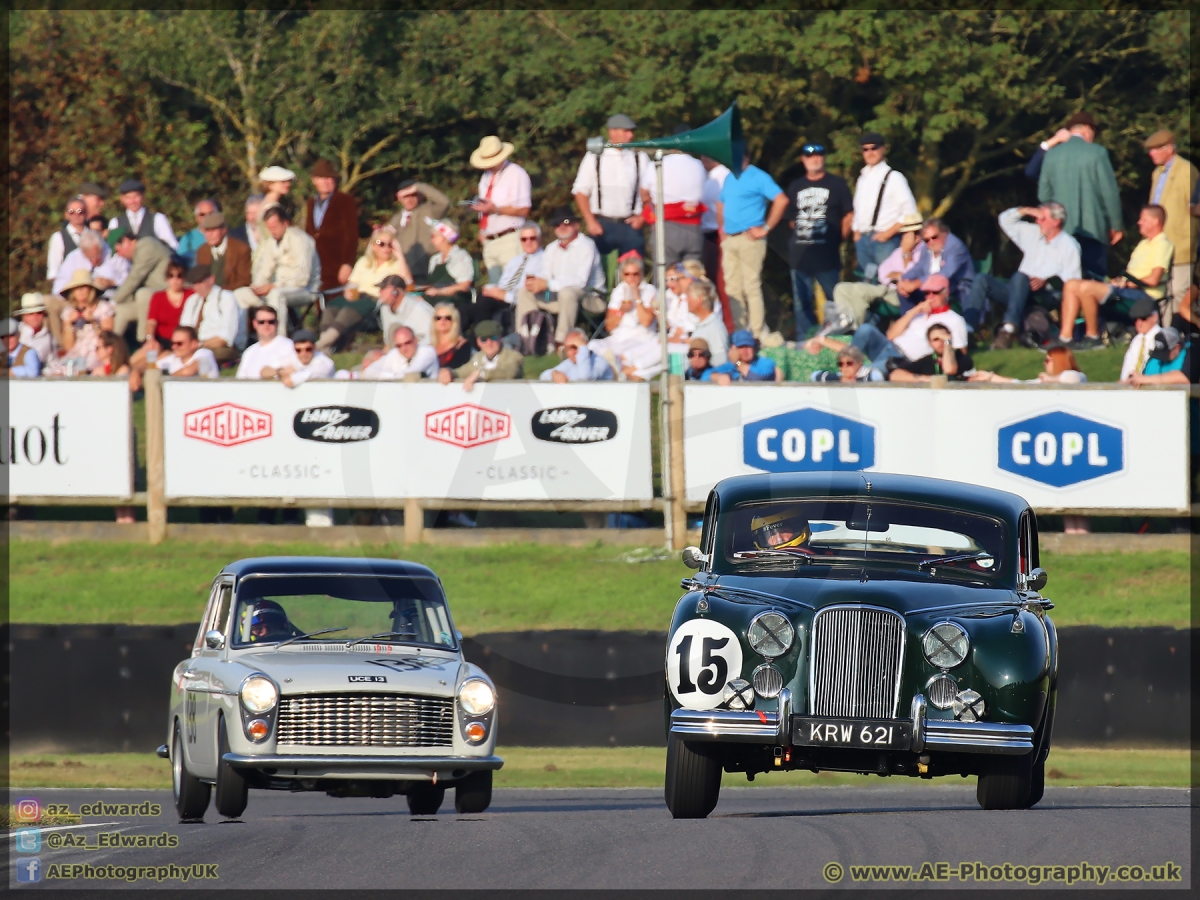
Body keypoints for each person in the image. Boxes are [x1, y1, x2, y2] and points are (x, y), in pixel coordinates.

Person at [965, 204, 1082, 348]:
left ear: (1056, 222)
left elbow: (1073, 283)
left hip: (1044, 295)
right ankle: (967, 332)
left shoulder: (1069, 246)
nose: (1037, 221)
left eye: (1042, 218)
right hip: (1018, 290)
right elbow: (1005, 220)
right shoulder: (1034, 233)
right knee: (982, 279)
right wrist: (1026, 210)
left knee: (1020, 277)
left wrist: (1046, 282)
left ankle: (1008, 330)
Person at [1058, 205, 1173, 349]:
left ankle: (1094, 338)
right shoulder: (1143, 243)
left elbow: (1154, 279)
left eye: (1143, 219)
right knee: (1071, 284)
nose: (1139, 222)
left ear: (1155, 221)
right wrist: (1119, 281)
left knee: (1086, 288)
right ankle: (1065, 338)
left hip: (1145, 295)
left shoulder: (1162, 244)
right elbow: (1133, 273)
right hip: (1128, 290)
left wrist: (1129, 283)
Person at [1037, 112, 1123, 280]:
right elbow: (1109, 192)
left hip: (1061, 231)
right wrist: (1116, 225)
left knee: (1065, 283)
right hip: (1093, 230)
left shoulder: (1051, 155)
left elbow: (1043, 195)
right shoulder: (1098, 153)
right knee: (1094, 284)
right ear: (1086, 129)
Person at [832, 274, 969, 375]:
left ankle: (849, 375)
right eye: (927, 293)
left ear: (946, 292)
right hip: (887, 347)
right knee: (865, 329)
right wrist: (914, 311)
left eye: (935, 292)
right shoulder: (919, 313)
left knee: (868, 372)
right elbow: (890, 335)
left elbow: (961, 354)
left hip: (903, 359)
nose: (930, 296)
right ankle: (847, 364)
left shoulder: (954, 320)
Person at [785, 142, 854, 339]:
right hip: (801, 254)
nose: (814, 160)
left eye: (818, 156)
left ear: (824, 158)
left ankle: (838, 337)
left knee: (835, 299)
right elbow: (791, 219)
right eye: (810, 157)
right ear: (803, 160)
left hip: (827, 253)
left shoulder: (837, 184)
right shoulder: (796, 186)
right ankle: (805, 341)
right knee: (801, 302)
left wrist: (839, 238)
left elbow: (848, 215)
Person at [717, 154, 787, 339]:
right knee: (732, 288)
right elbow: (720, 201)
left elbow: (781, 200)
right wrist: (721, 228)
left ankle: (757, 333)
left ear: (745, 155)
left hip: (750, 238)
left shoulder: (758, 176)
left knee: (751, 286)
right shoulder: (729, 177)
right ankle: (741, 333)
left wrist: (765, 228)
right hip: (730, 239)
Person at [519, 207, 605, 349]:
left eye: (566, 222)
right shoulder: (551, 248)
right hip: (558, 298)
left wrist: (548, 284)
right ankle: (526, 339)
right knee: (525, 292)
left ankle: (561, 343)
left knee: (567, 292)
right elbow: (546, 275)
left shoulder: (586, 246)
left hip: (591, 298)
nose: (562, 226)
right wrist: (537, 283)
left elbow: (581, 281)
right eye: (557, 224)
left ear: (576, 225)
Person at [318, 225, 413, 351]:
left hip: (376, 301)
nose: (385, 248)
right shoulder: (364, 262)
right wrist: (347, 291)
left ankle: (319, 345)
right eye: (381, 243)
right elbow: (352, 283)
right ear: (373, 246)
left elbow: (408, 283)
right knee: (331, 307)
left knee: (347, 310)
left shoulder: (397, 264)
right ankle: (327, 347)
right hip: (357, 297)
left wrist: (400, 255)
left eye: (389, 244)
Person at [571, 113, 650, 257]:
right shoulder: (595, 156)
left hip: (630, 226)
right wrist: (590, 221)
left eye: (631, 131)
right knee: (597, 273)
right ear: (612, 132)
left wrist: (642, 218)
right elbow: (580, 191)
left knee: (633, 272)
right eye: (626, 131)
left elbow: (650, 193)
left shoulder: (640, 157)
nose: (630, 136)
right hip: (602, 225)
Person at [828, 212, 923, 331]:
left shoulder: (922, 252)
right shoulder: (899, 251)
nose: (902, 238)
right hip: (886, 288)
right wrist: (896, 275)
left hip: (903, 295)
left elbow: (910, 277)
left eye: (906, 234)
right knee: (841, 288)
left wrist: (906, 254)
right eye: (902, 234)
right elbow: (883, 271)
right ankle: (845, 329)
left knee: (859, 291)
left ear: (917, 237)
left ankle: (855, 333)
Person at [234, 205, 321, 334]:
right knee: (240, 294)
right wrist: (257, 287)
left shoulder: (301, 240)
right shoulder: (271, 242)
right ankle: (242, 341)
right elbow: (264, 271)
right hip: (278, 287)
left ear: (285, 223)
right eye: (269, 228)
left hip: (305, 289)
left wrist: (274, 286)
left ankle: (279, 339)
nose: (272, 232)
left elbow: (302, 277)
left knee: (276, 295)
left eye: (274, 228)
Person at [851, 132, 919, 284]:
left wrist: (888, 233)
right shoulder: (862, 178)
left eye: (874, 148)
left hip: (886, 241)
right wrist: (856, 232)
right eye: (865, 149)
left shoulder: (894, 177)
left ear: (883, 149)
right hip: (863, 240)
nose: (870, 152)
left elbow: (910, 211)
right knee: (867, 285)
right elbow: (858, 207)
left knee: (888, 285)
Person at [1144, 130, 1198, 316]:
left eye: (1155, 149)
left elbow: (1194, 208)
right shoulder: (1156, 174)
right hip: (1160, 245)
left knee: (1180, 293)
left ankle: (1184, 335)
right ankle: (1166, 337)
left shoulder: (1186, 170)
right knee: (1162, 293)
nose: (1151, 153)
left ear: (1168, 148)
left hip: (1181, 244)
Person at [639, 128, 707, 266]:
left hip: (667, 226)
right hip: (694, 227)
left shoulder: (657, 164)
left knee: (665, 272)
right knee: (692, 274)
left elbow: (644, 193)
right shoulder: (699, 166)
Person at [470, 136, 533, 283]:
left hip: (509, 238)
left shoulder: (516, 174)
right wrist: (482, 229)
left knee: (512, 286)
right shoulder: (485, 177)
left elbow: (524, 209)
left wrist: (496, 209)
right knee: (495, 289)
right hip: (489, 240)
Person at [587, 255, 661, 380]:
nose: (631, 278)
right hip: (619, 336)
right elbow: (609, 326)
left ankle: (608, 369)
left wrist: (637, 298)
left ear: (641, 274)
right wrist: (621, 311)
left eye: (635, 274)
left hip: (641, 336)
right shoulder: (619, 291)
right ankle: (595, 366)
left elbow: (646, 322)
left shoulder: (649, 291)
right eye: (627, 274)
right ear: (622, 275)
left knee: (619, 353)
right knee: (592, 345)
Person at [477, 221, 544, 337]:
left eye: (532, 238)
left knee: (483, 306)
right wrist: (491, 290)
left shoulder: (545, 260)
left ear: (539, 238)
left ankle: (481, 341)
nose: (528, 242)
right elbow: (503, 284)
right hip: (503, 297)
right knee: (472, 307)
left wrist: (505, 296)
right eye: (524, 239)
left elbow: (533, 293)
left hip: (518, 300)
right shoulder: (515, 261)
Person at [108, 228, 172, 345]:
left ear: (127, 241)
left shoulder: (147, 246)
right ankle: (110, 347)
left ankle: (143, 341)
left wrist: (113, 302)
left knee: (143, 294)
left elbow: (135, 278)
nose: (120, 255)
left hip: (169, 295)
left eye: (119, 251)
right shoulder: (136, 256)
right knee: (121, 311)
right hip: (154, 300)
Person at [306, 159, 360, 294]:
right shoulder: (311, 203)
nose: (326, 182)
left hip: (337, 264)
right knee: (319, 304)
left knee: (336, 302)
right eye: (321, 178)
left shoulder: (345, 201)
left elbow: (351, 235)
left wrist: (347, 264)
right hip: (316, 265)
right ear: (314, 180)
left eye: (329, 178)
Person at [897, 218, 974, 312]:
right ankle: (910, 323)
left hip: (955, 290)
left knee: (931, 292)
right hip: (931, 289)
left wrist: (916, 283)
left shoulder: (955, 247)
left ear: (944, 233)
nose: (931, 242)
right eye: (927, 240)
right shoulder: (926, 247)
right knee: (905, 292)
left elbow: (944, 275)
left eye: (934, 237)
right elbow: (918, 268)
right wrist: (905, 280)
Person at [133, 259, 193, 368]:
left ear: (184, 278)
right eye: (171, 276)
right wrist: (150, 338)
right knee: (140, 356)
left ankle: (140, 374)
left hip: (178, 342)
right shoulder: (158, 297)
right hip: (160, 339)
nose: (175, 280)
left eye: (179, 276)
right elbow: (151, 322)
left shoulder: (191, 295)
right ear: (167, 278)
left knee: (154, 362)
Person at [55, 269, 116, 373]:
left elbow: (108, 339)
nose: (80, 291)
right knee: (60, 369)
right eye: (77, 288)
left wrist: (93, 322)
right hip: (77, 352)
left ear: (90, 289)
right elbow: (68, 346)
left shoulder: (103, 308)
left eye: (84, 287)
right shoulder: (68, 311)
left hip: (97, 351)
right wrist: (69, 324)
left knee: (87, 368)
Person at [418, 219, 474, 326]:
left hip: (453, 301)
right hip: (434, 299)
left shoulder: (460, 256)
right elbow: (432, 284)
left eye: (433, 236)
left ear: (443, 237)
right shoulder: (435, 259)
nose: (431, 240)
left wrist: (440, 291)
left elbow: (464, 285)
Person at [179, 264, 241, 363]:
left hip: (220, 348)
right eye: (194, 284)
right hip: (194, 346)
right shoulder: (192, 300)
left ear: (211, 279)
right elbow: (184, 329)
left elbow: (225, 339)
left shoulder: (226, 298)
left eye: (200, 283)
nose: (196, 287)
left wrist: (199, 346)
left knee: (198, 357)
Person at [438, 319, 523, 390]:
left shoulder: (514, 356)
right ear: (478, 342)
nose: (489, 343)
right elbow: (465, 370)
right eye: (484, 339)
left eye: (493, 338)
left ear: (500, 338)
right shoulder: (477, 359)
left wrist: (481, 373)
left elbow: (509, 372)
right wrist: (448, 372)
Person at [390, 179, 451, 276]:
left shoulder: (429, 211)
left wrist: (419, 187)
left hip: (429, 267)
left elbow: (445, 203)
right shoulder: (395, 220)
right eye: (406, 196)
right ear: (399, 198)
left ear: (419, 196)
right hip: (405, 270)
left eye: (413, 195)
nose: (410, 199)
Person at [700, 155, 732, 332]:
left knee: (723, 284)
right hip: (703, 235)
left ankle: (729, 329)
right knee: (708, 284)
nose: (703, 157)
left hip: (719, 235)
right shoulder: (702, 174)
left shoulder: (724, 175)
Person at [887, 322, 974, 382]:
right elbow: (894, 375)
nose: (941, 342)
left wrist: (948, 342)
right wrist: (923, 378)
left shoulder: (962, 358)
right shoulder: (927, 360)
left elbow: (949, 369)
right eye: (936, 339)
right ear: (930, 343)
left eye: (943, 338)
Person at [107, 179, 177, 249]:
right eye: (128, 198)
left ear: (142, 196)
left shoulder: (158, 219)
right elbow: (111, 249)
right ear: (122, 199)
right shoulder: (115, 223)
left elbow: (172, 245)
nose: (132, 201)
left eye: (136, 197)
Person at [971, 344, 1088, 384]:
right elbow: (1020, 384)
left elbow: (1072, 378)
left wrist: (1052, 379)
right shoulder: (1046, 381)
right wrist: (991, 377)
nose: (1044, 364)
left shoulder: (1080, 377)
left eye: (1047, 360)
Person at [195, 212, 251, 291]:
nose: (210, 234)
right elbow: (199, 278)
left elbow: (245, 281)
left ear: (224, 230)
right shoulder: (202, 251)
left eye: (214, 230)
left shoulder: (241, 249)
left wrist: (219, 291)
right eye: (207, 231)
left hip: (233, 294)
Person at [236, 307, 298, 379]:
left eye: (271, 322)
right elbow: (240, 380)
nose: (266, 325)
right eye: (261, 322)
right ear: (255, 324)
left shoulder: (288, 346)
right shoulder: (249, 352)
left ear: (277, 323)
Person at [362, 325, 439, 380]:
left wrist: (390, 376)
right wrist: (392, 376)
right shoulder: (395, 353)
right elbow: (369, 371)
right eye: (399, 345)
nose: (404, 348)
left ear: (416, 340)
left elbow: (411, 373)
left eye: (407, 343)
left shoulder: (428, 352)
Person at [376, 274, 434, 347]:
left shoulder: (419, 309)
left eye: (384, 288)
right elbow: (388, 343)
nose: (380, 292)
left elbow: (433, 339)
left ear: (395, 291)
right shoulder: (384, 308)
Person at [707, 330, 781, 384]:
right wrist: (717, 377)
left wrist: (738, 363)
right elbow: (705, 376)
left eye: (748, 347)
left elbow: (757, 378)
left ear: (754, 348)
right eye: (741, 347)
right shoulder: (730, 366)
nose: (745, 351)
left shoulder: (765, 362)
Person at [540, 329, 614, 382]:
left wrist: (583, 347)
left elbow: (586, 378)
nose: (572, 352)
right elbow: (543, 376)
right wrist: (554, 374)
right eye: (568, 349)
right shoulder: (569, 363)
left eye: (575, 347)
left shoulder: (600, 361)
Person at [685, 279, 730, 366]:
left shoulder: (715, 327)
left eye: (689, 296)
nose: (686, 300)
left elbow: (721, 360)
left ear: (699, 299)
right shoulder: (702, 325)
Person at [1117, 298, 1163, 383]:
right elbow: (1128, 365)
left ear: (1155, 317)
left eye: (1143, 318)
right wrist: (1124, 380)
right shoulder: (1137, 340)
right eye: (1135, 320)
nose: (1139, 323)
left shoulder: (1162, 338)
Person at [46, 196, 89, 282]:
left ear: (86, 214)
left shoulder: (94, 235)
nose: (76, 215)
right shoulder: (59, 237)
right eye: (71, 212)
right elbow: (54, 271)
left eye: (80, 211)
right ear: (66, 215)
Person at [155, 325, 219, 378]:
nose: (174, 347)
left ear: (194, 344)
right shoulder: (172, 359)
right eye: (172, 343)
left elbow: (187, 372)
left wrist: (165, 380)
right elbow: (151, 370)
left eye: (179, 343)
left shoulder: (205, 354)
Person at [255, 165, 297, 243]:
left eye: (288, 181)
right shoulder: (271, 207)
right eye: (283, 182)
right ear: (270, 185)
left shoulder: (265, 202)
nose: (288, 184)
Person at [175, 198, 219, 267]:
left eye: (211, 213)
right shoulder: (188, 238)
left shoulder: (225, 235)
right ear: (196, 217)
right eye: (202, 215)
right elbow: (180, 263)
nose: (207, 217)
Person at [430, 302, 473, 370]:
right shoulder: (428, 348)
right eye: (438, 318)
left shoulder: (462, 346)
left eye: (448, 317)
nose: (443, 320)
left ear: (454, 321)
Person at [810, 343, 884, 382]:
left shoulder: (869, 373)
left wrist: (855, 381)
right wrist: (840, 379)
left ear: (859, 362)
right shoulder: (840, 376)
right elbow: (814, 375)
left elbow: (877, 377)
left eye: (849, 363)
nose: (844, 367)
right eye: (841, 364)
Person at [16, 293, 56, 365]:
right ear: (23, 316)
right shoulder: (15, 333)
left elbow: (51, 362)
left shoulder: (49, 338)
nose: (35, 317)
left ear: (43, 315)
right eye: (31, 314)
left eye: (39, 313)